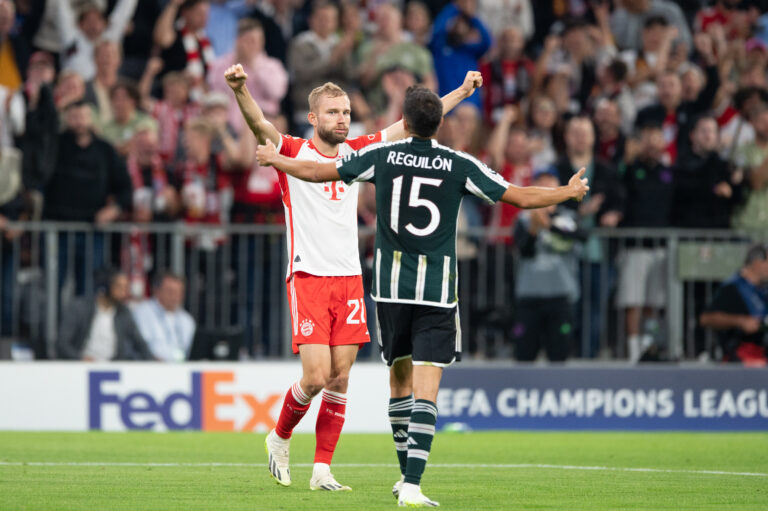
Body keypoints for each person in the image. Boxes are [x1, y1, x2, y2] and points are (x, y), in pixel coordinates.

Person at [254, 85, 589, 507]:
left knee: (394, 380)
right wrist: (568, 192)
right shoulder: (457, 163)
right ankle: (410, 483)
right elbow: (519, 197)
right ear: (440, 124)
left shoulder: (381, 156)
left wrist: (277, 161)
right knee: (424, 388)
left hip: (389, 290)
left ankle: (347, 470)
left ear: (404, 123)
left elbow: (320, 173)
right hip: (435, 292)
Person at [224, 62, 485, 492]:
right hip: (308, 274)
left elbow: (413, 124)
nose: (341, 119)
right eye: (332, 112)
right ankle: (280, 436)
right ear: (313, 118)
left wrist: (460, 91)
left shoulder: (359, 151)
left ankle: (322, 469)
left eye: (345, 112)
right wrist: (239, 90)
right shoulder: (291, 151)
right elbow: (259, 124)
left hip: (348, 278)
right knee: (314, 376)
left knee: (340, 377)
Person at [57, 270, 155, 361]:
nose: (125, 293)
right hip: (80, 368)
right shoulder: (80, 308)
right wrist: (79, 358)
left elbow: (139, 343)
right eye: (119, 287)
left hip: (112, 368)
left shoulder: (124, 313)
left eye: (126, 288)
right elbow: (62, 343)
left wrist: (153, 361)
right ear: (105, 287)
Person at [700, 244, 768, 365]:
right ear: (757, 263)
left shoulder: (762, 291)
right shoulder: (732, 287)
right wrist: (741, 321)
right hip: (740, 358)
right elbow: (706, 318)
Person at [131, 272, 196, 362]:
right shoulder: (143, 312)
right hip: (151, 368)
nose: (175, 296)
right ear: (157, 291)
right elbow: (140, 345)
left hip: (182, 369)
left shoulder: (187, 320)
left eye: (179, 292)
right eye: (170, 291)